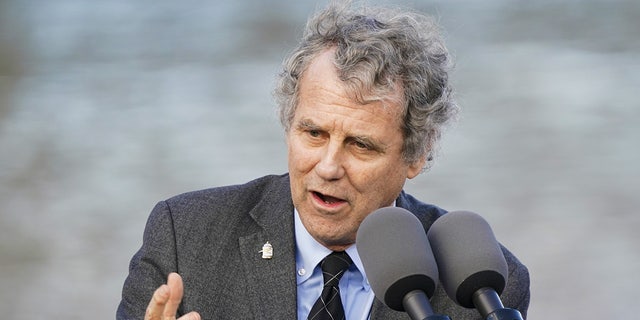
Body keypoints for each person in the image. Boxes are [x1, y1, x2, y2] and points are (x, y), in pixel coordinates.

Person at [117, 1, 530, 319]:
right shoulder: (184, 236)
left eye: (360, 145)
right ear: (289, 124)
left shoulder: (482, 285)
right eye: (314, 133)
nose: (329, 167)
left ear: (416, 155)